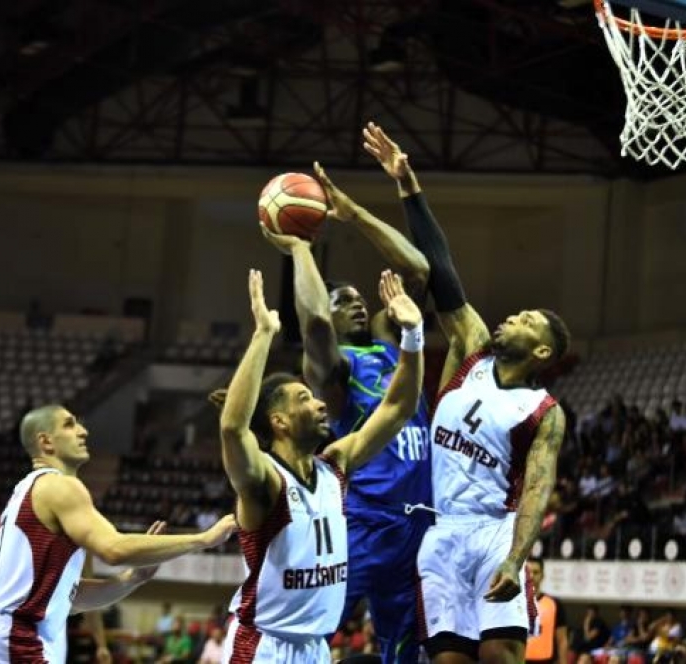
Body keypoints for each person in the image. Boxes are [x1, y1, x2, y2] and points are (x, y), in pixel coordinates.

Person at [363, 122, 569, 664]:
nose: (512, 316)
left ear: (542, 352)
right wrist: (408, 185)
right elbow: (441, 266)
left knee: (500, 655)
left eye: (526, 320)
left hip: (494, 535)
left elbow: (536, 491)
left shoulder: (543, 411)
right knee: (449, 660)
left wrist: (516, 558)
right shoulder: (473, 353)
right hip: (442, 532)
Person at [260, 161, 431, 664]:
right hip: (362, 524)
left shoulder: (389, 345)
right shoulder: (333, 372)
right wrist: (300, 248)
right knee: (309, 630)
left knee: (403, 653)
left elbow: (420, 272)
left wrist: (353, 213)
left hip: (418, 524)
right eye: (344, 300)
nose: (357, 305)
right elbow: (313, 324)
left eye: (360, 300)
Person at [218, 269, 424, 663]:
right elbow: (232, 427)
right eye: (303, 399)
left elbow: (398, 408)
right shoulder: (265, 480)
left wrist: (413, 336)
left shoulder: (335, 466)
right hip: (266, 646)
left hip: (315, 647)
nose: (320, 403)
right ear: (279, 422)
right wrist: (263, 334)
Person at [0, 404, 236, 663]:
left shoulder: (29, 489)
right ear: (46, 442)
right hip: (14, 636)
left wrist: (132, 579)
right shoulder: (60, 486)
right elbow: (114, 548)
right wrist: (204, 539)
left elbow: (72, 598)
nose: (83, 431)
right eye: (70, 425)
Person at [525, 558, 568, 664]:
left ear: (542, 575)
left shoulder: (554, 604)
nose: (531, 576)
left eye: (536, 572)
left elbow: (562, 640)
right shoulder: (514, 604)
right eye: (528, 572)